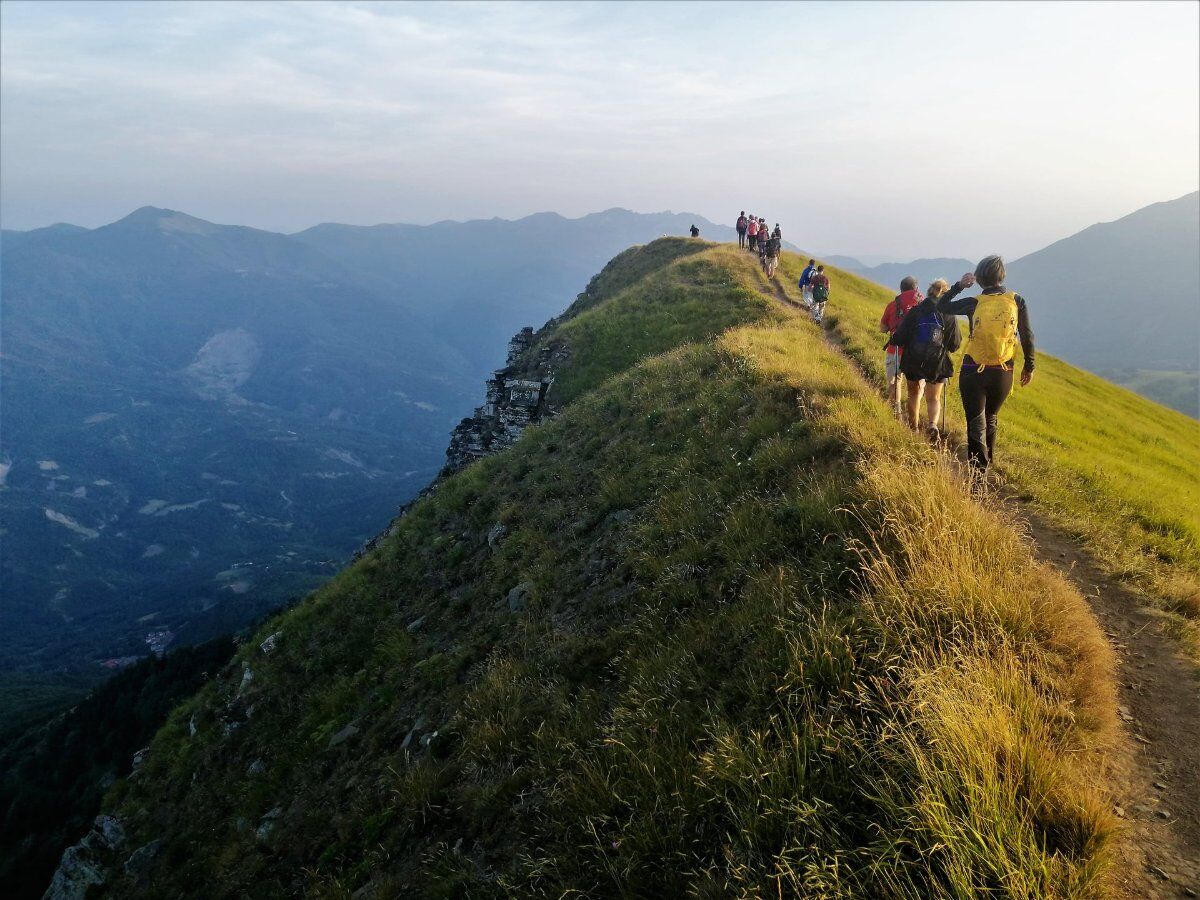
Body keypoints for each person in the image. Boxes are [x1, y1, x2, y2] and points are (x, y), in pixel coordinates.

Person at [936, 255, 1035, 471]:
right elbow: (1026, 335)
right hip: (1003, 370)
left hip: (973, 369)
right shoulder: (1016, 301)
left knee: (975, 423)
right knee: (990, 417)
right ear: (1002, 276)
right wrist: (1029, 366)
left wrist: (959, 286)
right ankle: (988, 462)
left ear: (979, 278)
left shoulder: (974, 303)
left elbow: (942, 306)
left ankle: (977, 477)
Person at [888, 278, 961, 440]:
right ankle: (932, 425)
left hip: (913, 359)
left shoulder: (916, 311)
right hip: (937, 361)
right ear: (946, 294)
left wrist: (894, 339)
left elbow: (900, 337)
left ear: (928, 292)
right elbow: (955, 345)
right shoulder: (948, 314)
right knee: (933, 398)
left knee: (913, 394)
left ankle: (913, 429)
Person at [880, 276, 923, 416]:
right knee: (917, 385)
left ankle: (896, 410)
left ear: (901, 289)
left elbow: (882, 328)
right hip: (917, 351)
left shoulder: (893, 304)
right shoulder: (923, 305)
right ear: (916, 289)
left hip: (896, 350)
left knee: (895, 380)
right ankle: (915, 415)